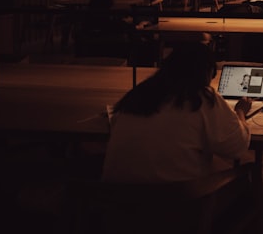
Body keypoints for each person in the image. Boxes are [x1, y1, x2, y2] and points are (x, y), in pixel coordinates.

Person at [102, 42, 251, 183]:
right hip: (177, 201)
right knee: (245, 175)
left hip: (118, 201)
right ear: (206, 71)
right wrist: (240, 111)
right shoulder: (201, 98)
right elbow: (237, 147)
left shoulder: (139, 93)